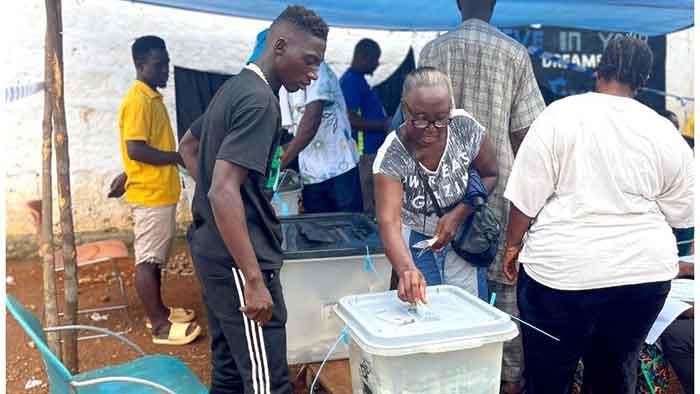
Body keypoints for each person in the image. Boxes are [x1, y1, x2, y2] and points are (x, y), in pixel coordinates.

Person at [502, 36, 694, 394]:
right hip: (642, 276)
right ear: (644, 79)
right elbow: (682, 213)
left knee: (548, 378)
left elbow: (524, 199)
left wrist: (512, 246)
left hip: (560, 277)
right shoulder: (663, 131)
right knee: (614, 374)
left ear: (598, 68)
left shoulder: (559, 115)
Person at [181, 6, 328, 393]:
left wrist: (223, 202)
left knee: (229, 371)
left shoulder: (233, 88)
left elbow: (189, 146)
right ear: (280, 46)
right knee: (268, 383)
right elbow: (222, 189)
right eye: (310, 61)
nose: (314, 74)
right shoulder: (261, 101)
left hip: (213, 250)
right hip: (239, 261)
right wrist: (252, 278)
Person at [417, 1, 545, 391]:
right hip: (499, 188)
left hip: (440, 190)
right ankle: (506, 380)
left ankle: (449, 374)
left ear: (458, 3)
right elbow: (528, 133)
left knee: (440, 285)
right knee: (504, 284)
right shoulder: (514, 53)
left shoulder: (432, 52)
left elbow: (414, 123)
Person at [374, 67, 498, 303]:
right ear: (404, 108)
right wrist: (406, 269)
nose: (432, 129)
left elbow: (490, 174)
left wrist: (459, 213)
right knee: (425, 305)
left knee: (467, 308)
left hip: (464, 237)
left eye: (441, 119)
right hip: (417, 241)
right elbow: (389, 221)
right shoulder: (392, 154)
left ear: (450, 108)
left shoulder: (464, 127)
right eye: (420, 119)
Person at [118, 35, 201, 346]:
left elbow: (137, 151)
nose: (166, 69)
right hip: (151, 193)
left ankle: (161, 310)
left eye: (166, 62)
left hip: (159, 191)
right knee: (148, 259)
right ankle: (158, 325)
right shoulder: (138, 100)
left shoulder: (151, 97)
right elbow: (136, 149)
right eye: (158, 64)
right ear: (141, 66)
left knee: (155, 257)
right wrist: (177, 157)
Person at [278, 62, 362, 213]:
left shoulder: (317, 69)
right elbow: (297, 135)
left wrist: (280, 163)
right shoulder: (285, 83)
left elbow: (311, 123)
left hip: (338, 170)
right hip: (311, 176)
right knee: (317, 233)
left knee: (349, 231)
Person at [340, 39, 391, 216]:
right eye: (375, 59)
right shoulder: (351, 81)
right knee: (369, 206)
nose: (377, 64)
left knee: (376, 202)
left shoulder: (358, 80)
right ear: (363, 56)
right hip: (364, 154)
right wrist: (384, 124)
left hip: (370, 153)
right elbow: (350, 119)